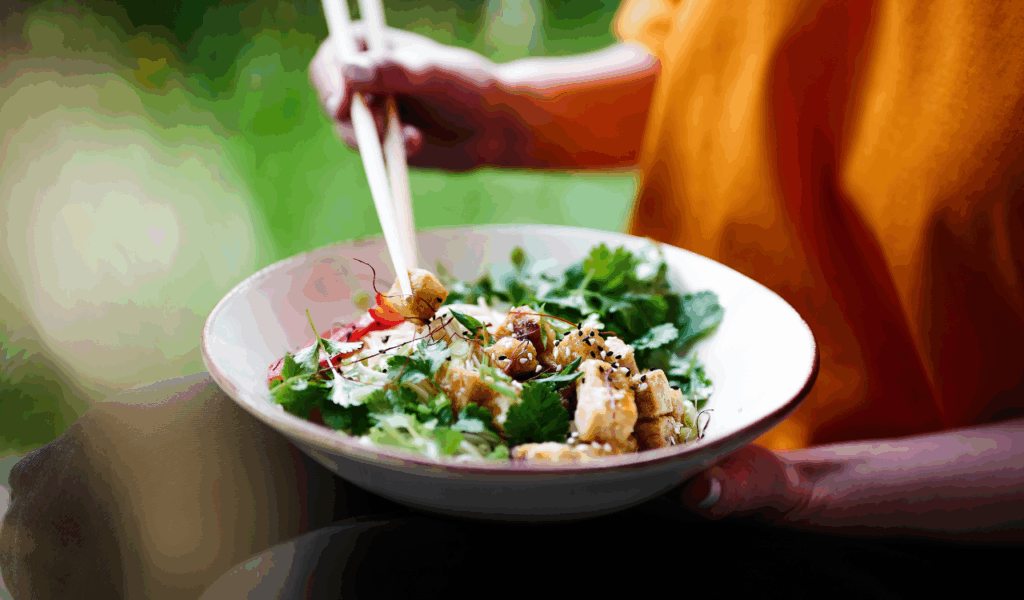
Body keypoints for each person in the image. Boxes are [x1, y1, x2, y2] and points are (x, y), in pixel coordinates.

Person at [2, 1, 1023, 598]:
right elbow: (711, 55)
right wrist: (504, 111)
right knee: (79, 490)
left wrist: (805, 488)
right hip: (676, 383)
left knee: (346, 578)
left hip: (888, 507)